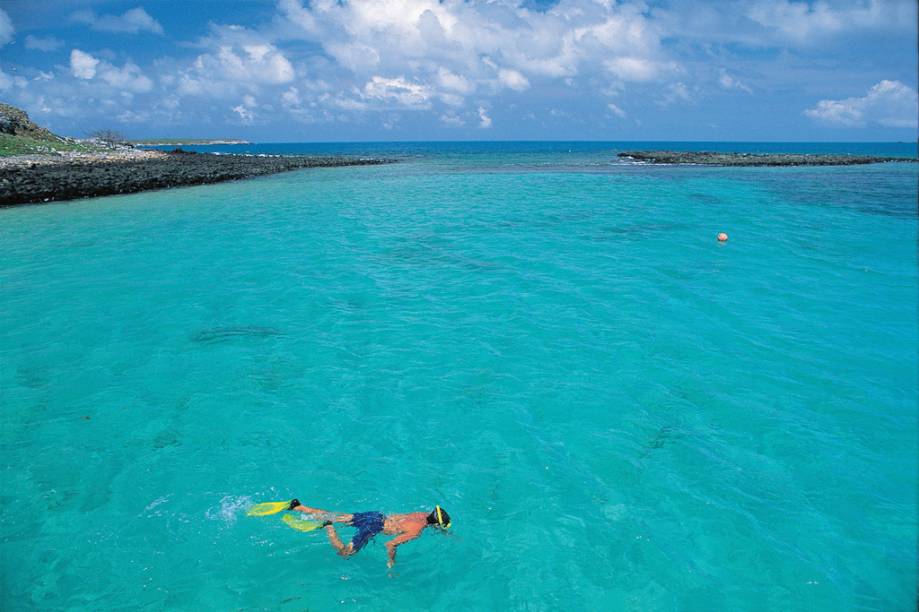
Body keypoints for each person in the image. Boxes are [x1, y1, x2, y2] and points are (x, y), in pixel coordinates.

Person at [287, 499, 451, 567]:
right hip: (374, 528)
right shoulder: (417, 532)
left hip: (376, 516)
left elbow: (399, 519)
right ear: (436, 524)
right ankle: (328, 527)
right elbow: (390, 544)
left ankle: (298, 506)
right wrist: (391, 561)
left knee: (337, 516)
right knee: (345, 553)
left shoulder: (420, 514)